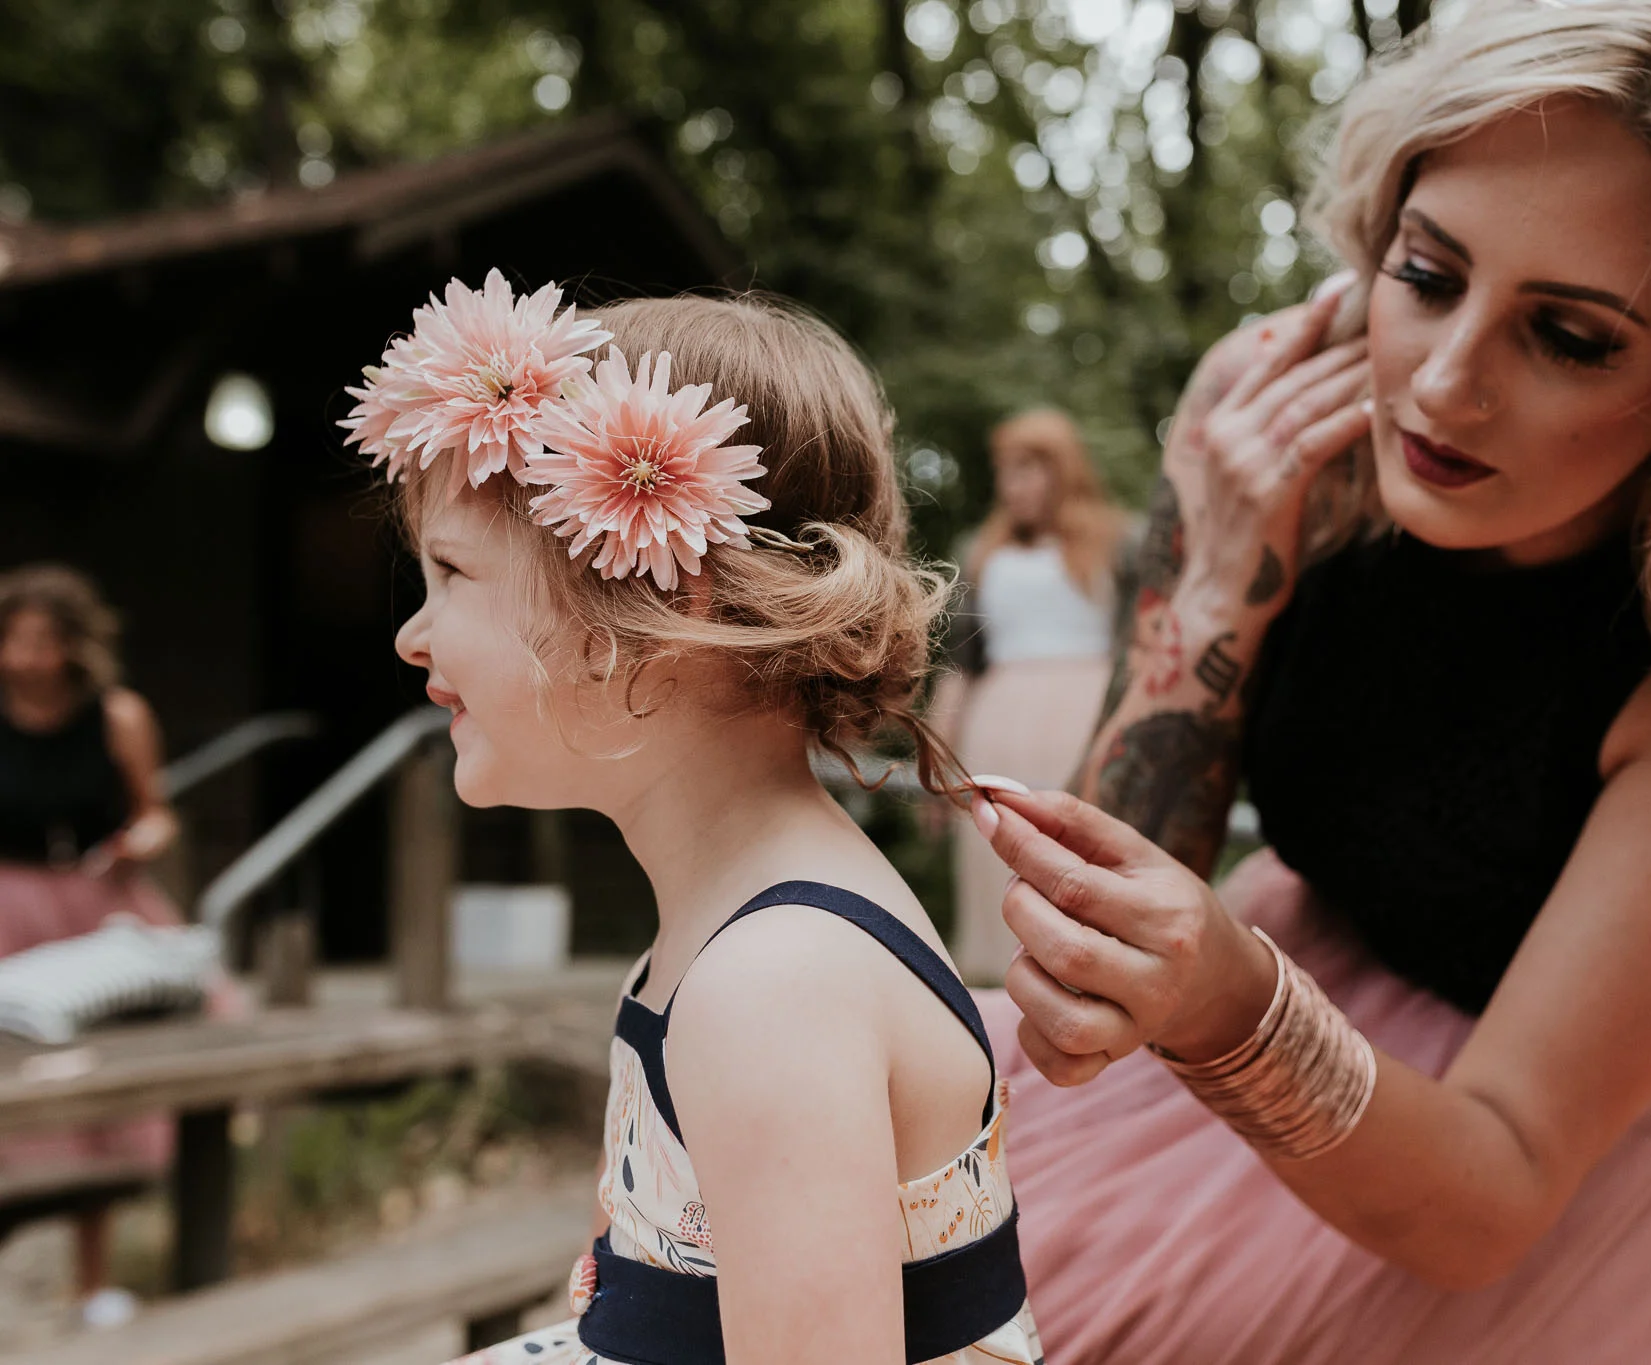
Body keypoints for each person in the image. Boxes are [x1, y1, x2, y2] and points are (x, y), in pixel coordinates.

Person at [962, 1, 1651, 1361]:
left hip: (1597, 1129)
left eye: (1572, 337)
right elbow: (1080, 947)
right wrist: (1212, 573)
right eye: (1428, 275)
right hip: (1301, 983)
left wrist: (1234, 1004)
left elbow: (1493, 1190)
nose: (1439, 384)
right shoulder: (1279, 420)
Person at [341, 274, 1042, 1364]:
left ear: (656, 611)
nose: (413, 638)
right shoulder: (731, 929)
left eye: (452, 573)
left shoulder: (771, 983)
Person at [0, 563, 181, 1327]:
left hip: (92, 903)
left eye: (44, 638)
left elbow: (157, 813)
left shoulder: (118, 714)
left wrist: (137, 842)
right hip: (5, 906)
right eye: (14, 636)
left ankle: (92, 1279)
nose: (26, 654)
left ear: (73, 645)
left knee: (105, 1096)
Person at [932, 409, 1128, 984]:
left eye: (1026, 469)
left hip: (1085, 723)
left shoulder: (1120, 541)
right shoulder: (982, 550)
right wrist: (937, 751)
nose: (1011, 485)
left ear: (1060, 471)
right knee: (995, 861)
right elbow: (960, 663)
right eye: (1005, 471)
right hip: (998, 727)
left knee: (1079, 864)